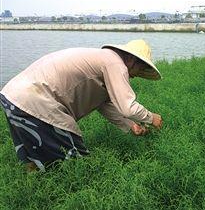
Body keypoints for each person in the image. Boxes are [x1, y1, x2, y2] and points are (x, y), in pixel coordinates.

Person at [0, 39, 163, 172]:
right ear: (131, 60)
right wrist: (151, 118)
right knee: (77, 165)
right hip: (35, 100)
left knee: (37, 157)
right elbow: (127, 106)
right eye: (138, 70)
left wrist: (130, 126)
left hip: (13, 97)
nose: (134, 76)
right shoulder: (115, 63)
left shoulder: (102, 59)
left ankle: (34, 185)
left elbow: (104, 104)